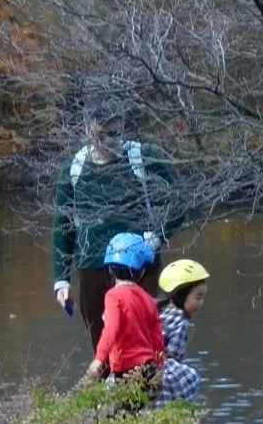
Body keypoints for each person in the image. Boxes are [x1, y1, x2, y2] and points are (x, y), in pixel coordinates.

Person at [52, 100, 183, 350]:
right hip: (91, 263)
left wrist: (155, 239)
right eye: (102, 134)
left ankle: (144, 386)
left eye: (115, 133)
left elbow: (179, 202)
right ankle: (107, 388)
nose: (109, 140)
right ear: (88, 130)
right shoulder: (74, 169)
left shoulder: (143, 158)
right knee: (102, 344)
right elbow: (63, 225)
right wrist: (61, 280)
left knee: (138, 339)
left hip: (138, 265)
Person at [82, 233, 165, 398]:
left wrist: (99, 359)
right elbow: (157, 339)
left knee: (117, 416)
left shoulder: (114, 296)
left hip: (125, 371)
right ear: (141, 272)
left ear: (110, 269)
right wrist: (160, 367)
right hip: (148, 369)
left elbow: (111, 329)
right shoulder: (148, 299)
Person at [153, 258, 208, 406]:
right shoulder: (180, 319)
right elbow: (173, 354)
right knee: (190, 378)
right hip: (157, 368)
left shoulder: (158, 308)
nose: (201, 303)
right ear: (182, 295)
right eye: (198, 297)